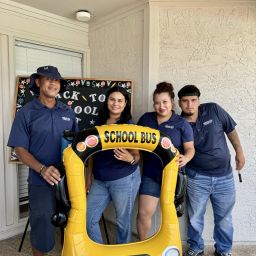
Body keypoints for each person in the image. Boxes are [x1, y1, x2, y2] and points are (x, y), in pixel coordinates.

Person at [7, 66, 78, 256]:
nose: (53, 83)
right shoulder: (26, 112)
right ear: (38, 82)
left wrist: (84, 178)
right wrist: (42, 169)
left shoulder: (68, 111)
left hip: (68, 180)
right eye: (48, 79)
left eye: (57, 80)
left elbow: (78, 146)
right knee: (42, 227)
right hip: (40, 180)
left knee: (71, 224)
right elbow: (20, 149)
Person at [178, 85, 245, 256]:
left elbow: (231, 130)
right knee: (194, 218)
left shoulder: (213, 109)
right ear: (179, 103)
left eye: (193, 100)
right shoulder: (179, 124)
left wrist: (239, 152)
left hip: (225, 177)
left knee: (224, 218)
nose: (189, 105)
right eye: (185, 101)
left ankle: (223, 250)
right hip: (196, 178)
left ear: (199, 100)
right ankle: (196, 248)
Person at [136, 82, 195, 240]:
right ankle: (143, 245)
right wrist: (133, 156)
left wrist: (186, 158)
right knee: (143, 214)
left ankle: (169, 245)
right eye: (157, 103)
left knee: (170, 216)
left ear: (172, 103)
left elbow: (190, 149)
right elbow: (135, 143)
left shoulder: (181, 124)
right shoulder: (145, 119)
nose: (161, 106)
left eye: (164, 102)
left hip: (172, 177)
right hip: (151, 175)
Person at [86, 86, 141, 244]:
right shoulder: (99, 122)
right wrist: (88, 177)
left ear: (125, 104)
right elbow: (92, 153)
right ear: (107, 101)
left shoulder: (129, 126)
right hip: (100, 180)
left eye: (120, 100)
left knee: (123, 223)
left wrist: (130, 158)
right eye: (112, 99)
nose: (115, 103)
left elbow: (137, 156)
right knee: (88, 218)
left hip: (124, 179)